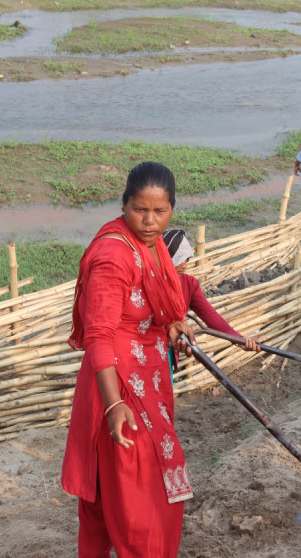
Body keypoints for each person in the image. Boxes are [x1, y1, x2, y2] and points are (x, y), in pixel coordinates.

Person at [62, 161, 196, 558]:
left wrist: (171, 327)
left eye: (160, 211)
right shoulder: (113, 255)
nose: (150, 221)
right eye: (140, 210)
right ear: (124, 205)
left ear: (172, 208)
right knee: (134, 490)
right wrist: (114, 404)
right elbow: (98, 335)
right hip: (115, 384)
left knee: (126, 488)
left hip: (148, 379)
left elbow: (151, 311)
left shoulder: (152, 248)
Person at [162, 229, 259, 352]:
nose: (184, 265)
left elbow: (210, 315)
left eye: (186, 259)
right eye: (179, 259)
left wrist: (239, 339)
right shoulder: (150, 283)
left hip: (171, 350)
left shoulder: (189, 284)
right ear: (165, 258)